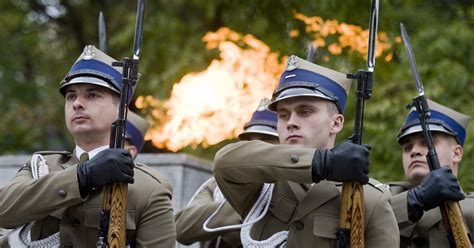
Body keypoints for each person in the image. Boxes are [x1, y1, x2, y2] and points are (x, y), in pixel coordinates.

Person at [213, 55, 399, 247]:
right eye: (283, 115)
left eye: (305, 112)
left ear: (336, 123)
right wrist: (321, 163)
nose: (291, 122)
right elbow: (224, 163)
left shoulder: (371, 199)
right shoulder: (262, 185)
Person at [0, 45, 176, 247]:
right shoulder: (41, 167)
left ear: (122, 111)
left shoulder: (150, 188)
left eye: (92, 95)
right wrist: (82, 177)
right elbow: (3, 212)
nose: (77, 104)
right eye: (71, 96)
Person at [175, 98, 279, 247]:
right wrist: (251, 206)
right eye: (249, 141)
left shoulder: (293, 186)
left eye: (266, 139)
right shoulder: (217, 185)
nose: (254, 147)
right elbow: (183, 227)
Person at [389, 99, 474, 247]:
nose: (414, 151)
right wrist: (412, 202)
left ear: (457, 153)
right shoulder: (384, 199)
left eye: (426, 143)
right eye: (407, 148)